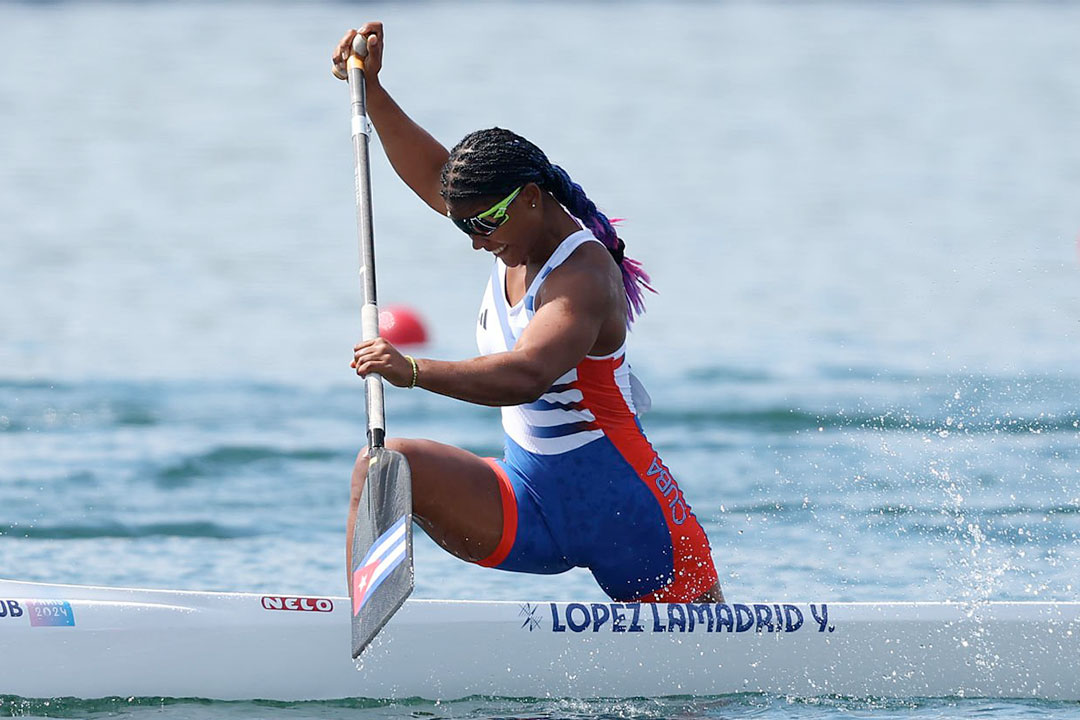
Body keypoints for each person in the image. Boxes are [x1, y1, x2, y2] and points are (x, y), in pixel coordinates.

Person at [335, 24, 723, 603]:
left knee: (702, 693)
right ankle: (362, 627)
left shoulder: (583, 276)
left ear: (533, 199)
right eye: (464, 225)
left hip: (626, 509)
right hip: (528, 497)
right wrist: (372, 87)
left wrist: (412, 371)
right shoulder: (507, 227)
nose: (474, 240)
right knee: (385, 468)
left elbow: (526, 376)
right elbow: (431, 175)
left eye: (484, 224)